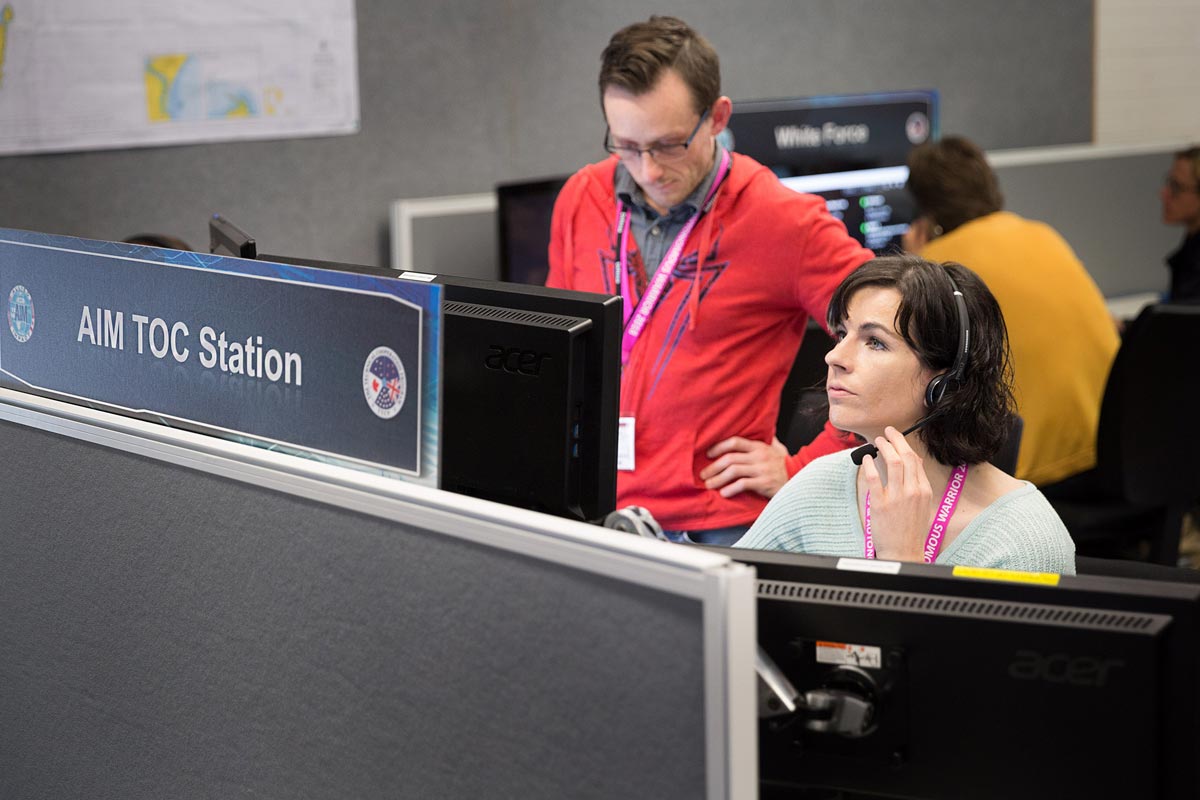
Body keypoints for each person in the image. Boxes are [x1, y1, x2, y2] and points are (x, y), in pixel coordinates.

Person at [546, 16, 872, 543]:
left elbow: (895, 340)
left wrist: (808, 465)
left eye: (670, 144)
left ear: (717, 117)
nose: (648, 170)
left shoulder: (786, 223)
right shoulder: (581, 199)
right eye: (627, 145)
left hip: (716, 524)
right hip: (590, 505)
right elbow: (556, 345)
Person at [736, 255, 1076, 574]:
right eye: (842, 334)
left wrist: (904, 561)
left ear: (946, 378)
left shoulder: (1027, 539)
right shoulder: (817, 486)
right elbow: (717, 604)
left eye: (875, 342)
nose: (834, 357)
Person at [901, 135, 1119, 489]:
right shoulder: (1041, 234)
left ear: (926, 213)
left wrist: (914, 262)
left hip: (1037, 473)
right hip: (1114, 453)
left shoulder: (938, 269)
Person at [1160, 145, 1200, 304]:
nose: (1164, 193)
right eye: (1169, 183)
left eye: (1176, 187)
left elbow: (1185, 324)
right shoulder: (1192, 244)